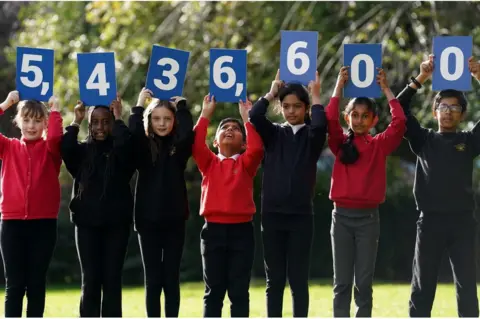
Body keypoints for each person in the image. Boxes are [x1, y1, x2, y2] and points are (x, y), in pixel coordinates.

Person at [397, 55, 480, 317]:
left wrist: (478, 75)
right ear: (434, 111)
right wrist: (421, 77)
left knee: (467, 286)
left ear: (462, 114)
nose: (448, 112)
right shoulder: (424, 140)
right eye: (443, 107)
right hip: (430, 221)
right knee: (423, 286)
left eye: (454, 108)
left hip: (463, 221)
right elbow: (399, 108)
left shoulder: (469, 142)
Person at [326, 67, 406, 317]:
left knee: (363, 283)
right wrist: (339, 87)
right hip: (341, 218)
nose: (359, 120)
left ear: (373, 120)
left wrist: (386, 89)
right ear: (347, 118)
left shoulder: (378, 146)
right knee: (342, 283)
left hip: (368, 220)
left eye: (365, 116)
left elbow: (400, 122)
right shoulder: (339, 143)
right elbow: (329, 119)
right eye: (355, 115)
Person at [248, 70, 327, 317]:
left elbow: (321, 125)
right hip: (272, 216)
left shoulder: (312, 136)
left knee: (298, 280)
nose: (291, 111)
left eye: (297, 106)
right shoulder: (273, 134)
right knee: (275, 281)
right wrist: (271, 93)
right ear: (280, 108)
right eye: (286, 106)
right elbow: (254, 115)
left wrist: (316, 96)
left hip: (301, 216)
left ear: (305, 108)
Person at [61, 97, 135, 317]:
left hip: (116, 225)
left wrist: (120, 117)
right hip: (86, 225)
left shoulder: (121, 153)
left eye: (106, 121)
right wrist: (76, 120)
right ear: (90, 125)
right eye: (95, 122)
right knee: (90, 279)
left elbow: (127, 146)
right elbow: (66, 147)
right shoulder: (82, 153)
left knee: (112, 279)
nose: (100, 127)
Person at [192, 94, 263, 317]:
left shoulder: (246, 163)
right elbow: (195, 143)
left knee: (239, 291)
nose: (230, 129)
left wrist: (247, 118)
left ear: (243, 143)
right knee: (214, 291)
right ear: (215, 141)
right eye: (224, 128)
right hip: (212, 231)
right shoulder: (209, 163)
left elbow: (258, 148)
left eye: (236, 128)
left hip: (241, 232)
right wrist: (205, 114)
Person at [129, 88, 194, 317]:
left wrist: (183, 107)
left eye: (167, 118)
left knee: (170, 278)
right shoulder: (143, 148)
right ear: (149, 120)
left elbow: (188, 134)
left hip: (175, 220)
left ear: (174, 120)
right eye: (156, 119)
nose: (162, 123)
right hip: (147, 221)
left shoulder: (179, 149)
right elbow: (134, 133)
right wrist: (138, 105)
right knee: (153, 279)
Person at [0, 91, 63, 317]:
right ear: (18, 121)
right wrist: (6, 103)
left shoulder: (51, 149)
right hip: (12, 224)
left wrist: (55, 110)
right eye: (26, 119)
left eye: (37, 120)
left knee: (36, 285)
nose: (31, 125)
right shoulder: (8, 147)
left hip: (43, 225)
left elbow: (55, 137)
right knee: (14, 286)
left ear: (45, 123)